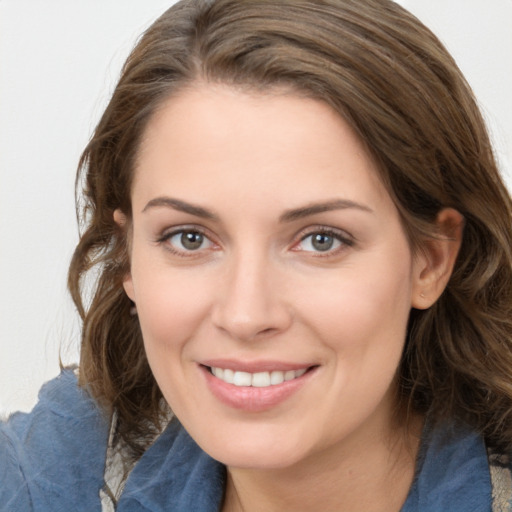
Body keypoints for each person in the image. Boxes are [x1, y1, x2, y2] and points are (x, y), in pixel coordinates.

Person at [2, 0, 512, 510]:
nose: (246, 315)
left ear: (431, 260)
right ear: (127, 256)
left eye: (321, 240)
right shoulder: (56, 469)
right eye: (190, 238)